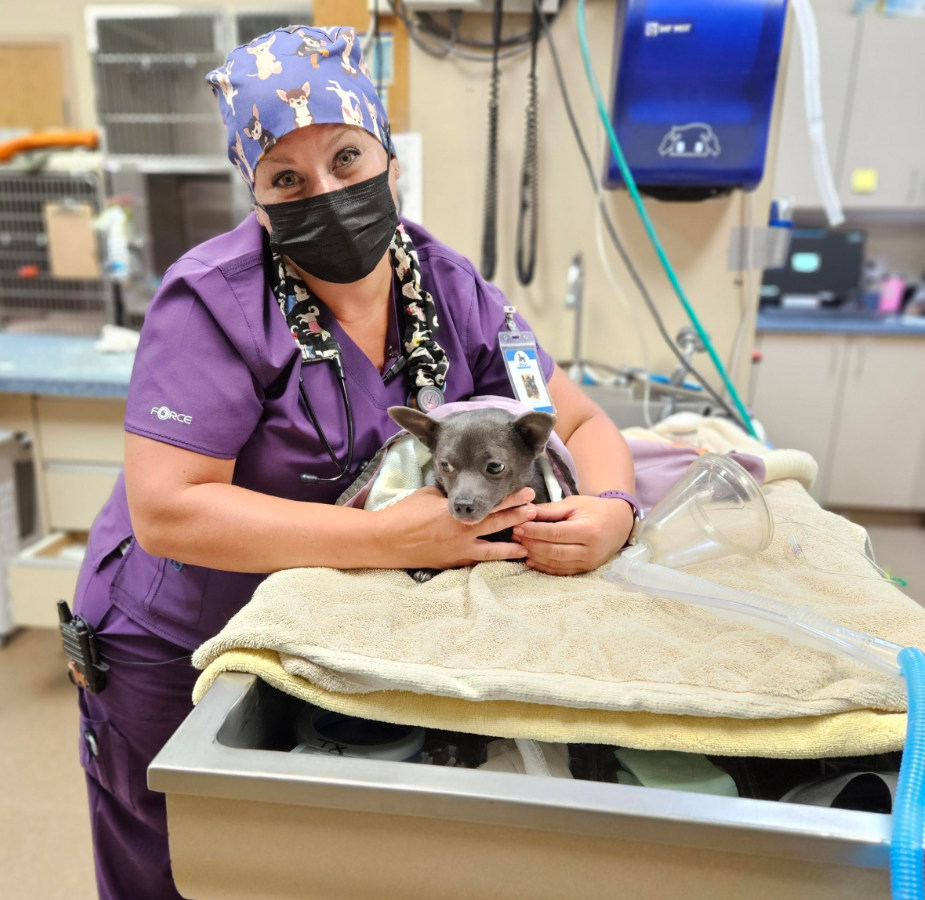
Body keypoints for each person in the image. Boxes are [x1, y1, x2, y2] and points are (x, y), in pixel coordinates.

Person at [71, 24, 637, 899]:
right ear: (254, 194)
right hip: (174, 636)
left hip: (329, 633)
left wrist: (611, 511)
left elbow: (583, 420)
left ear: (388, 159)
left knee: (301, 863)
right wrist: (388, 541)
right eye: (286, 178)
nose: (327, 193)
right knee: (173, 865)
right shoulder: (212, 301)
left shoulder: (448, 288)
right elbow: (171, 510)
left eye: (346, 158)